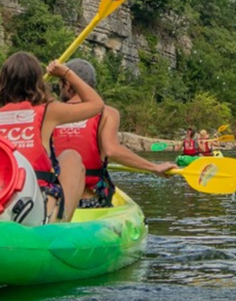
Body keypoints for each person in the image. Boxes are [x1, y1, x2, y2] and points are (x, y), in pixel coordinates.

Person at [0, 52, 103, 223]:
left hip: (0, 206)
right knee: (72, 158)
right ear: (37, 82)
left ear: (2, 82)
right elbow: (97, 104)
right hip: (37, 211)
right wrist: (66, 73)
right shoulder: (48, 112)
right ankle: (60, 224)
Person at [51, 59, 177, 207]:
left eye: (60, 84)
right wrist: (154, 167)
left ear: (67, 84)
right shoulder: (107, 113)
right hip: (90, 200)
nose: (60, 90)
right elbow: (112, 150)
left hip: (54, 199)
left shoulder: (50, 112)